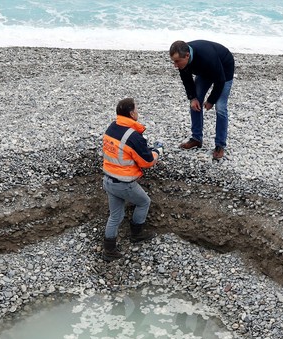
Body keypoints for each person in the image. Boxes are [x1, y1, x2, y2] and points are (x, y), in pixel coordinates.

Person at [101, 97, 164, 261]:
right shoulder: (133, 136)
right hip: (124, 183)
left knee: (115, 216)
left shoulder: (112, 128)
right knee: (144, 202)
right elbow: (148, 162)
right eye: (136, 109)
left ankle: (109, 251)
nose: (138, 111)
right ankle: (136, 234)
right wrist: (157, 151)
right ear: (131, 113)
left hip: (108, 179)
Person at [169, 39, 235, 161]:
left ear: (187, 55)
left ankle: (220, 145)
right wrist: (192, 98)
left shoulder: (207, 57)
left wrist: (211, 100)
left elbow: (220, 80)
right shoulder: (183, 58)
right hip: (205, 71)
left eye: (177, 61)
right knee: (194, 103)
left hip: (224, 69)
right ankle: (196, 138)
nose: (175, 65)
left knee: (220, 107)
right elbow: (186, 80)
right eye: (173, 62)